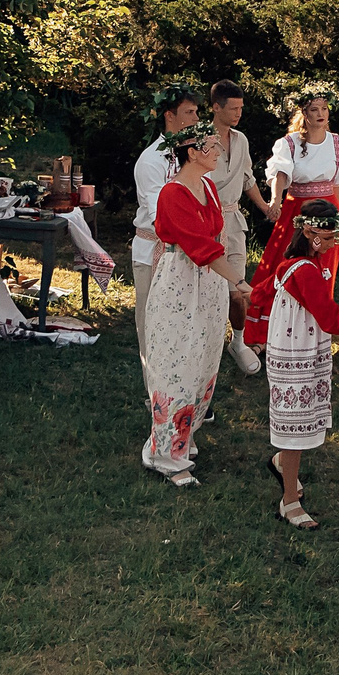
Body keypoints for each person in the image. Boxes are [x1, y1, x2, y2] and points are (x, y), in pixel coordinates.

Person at [258, 200, 339, 528]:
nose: (333, 243)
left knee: (300, 422)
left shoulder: (301, 265)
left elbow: (261, 293)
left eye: (335, 237)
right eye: (327, 237)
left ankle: (282, 465)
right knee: (295, 427)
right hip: (294, 352)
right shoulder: (303, 270)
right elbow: (332, 318)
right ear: (308, 231)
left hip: (302, 348)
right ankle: (289, 501)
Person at [140, 118, 239, 488]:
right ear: (193, 153)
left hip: (208, 285)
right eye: (212, 147)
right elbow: (199, 246)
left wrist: (224, 282)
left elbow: (215, 237)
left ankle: (185, 433)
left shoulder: (210, 187)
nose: (218, 152)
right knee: (176, 358)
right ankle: (165, 454)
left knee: (202, 355)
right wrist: (239, 282)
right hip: (180, 279)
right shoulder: (172, 194)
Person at [251, 83, 339, 302]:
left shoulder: (337, 143)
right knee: (291, 260)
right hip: (298, 210)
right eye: (315, 109)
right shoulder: (289, 143)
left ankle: (317, 314)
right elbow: (280, 174)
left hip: (328, 211)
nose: (321, 114)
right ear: (304, 113)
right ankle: (282, 314)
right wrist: (276, 200)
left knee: (323, 263)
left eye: (324, 108)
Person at [129, 81, 204, 347]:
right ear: (169, 116)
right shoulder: (152, 160)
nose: (196, 118)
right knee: (153, 326)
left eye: (197, 112)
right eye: (189, 112)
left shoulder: (194, 156)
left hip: (188, 251)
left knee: (183, 326)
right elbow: (158, 215)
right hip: (154, 252)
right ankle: (155, 388)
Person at [207, 80, 269, 376]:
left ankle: (239, 342)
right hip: (206, 222)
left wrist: (266, 207)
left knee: (239, 292)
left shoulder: (241, 140)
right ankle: (205, 345)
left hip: (234, 222)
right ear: (216, 107)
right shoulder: (199, 139)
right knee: (208, 291)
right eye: (233, 108)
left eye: (241, 108)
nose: (238, 113)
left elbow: (247, 179)